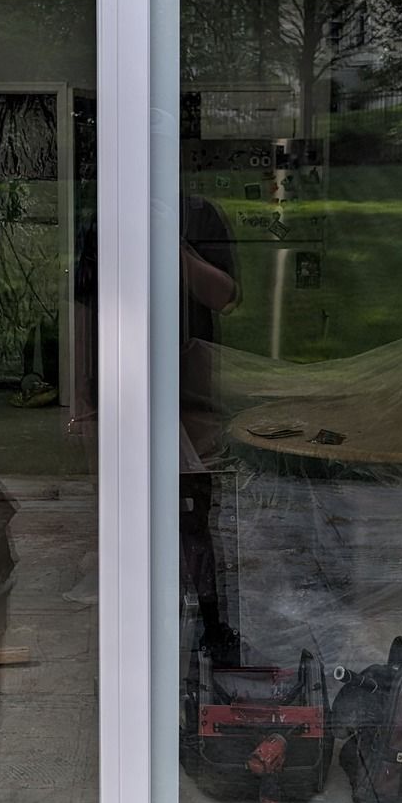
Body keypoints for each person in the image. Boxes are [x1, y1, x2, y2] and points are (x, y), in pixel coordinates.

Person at [180, 192, 240, 662]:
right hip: (122, 395)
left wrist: (177, 254)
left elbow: (224, 298)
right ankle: (135, 621)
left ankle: (211, 621)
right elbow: (84, 302)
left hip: (192, 395)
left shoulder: (199, 215)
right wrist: (81, 399)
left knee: (193, 516)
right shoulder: (110, 208)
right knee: (125, 515)